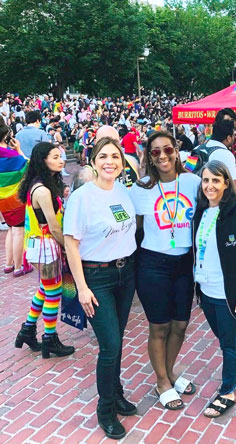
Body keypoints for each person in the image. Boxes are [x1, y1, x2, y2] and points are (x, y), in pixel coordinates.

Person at [64, 137, 137, 440]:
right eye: (103, 156)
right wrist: (81, 287)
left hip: (126, 273)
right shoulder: (83, 197)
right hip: (97, 278)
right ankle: (105, 409)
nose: (110, 161)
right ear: (93, 161)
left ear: (122, 163)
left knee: (117, 339)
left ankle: (116, 392)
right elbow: (70, 242)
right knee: (109, 345)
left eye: (115, 157)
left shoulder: (122, 190)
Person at [129, 131, 200, 411]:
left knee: (180, 325)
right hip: (153, 264)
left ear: (177, 151)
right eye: (155, 152)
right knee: (159, 326)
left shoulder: (193, 182)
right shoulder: (141, 187)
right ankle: (162, 381)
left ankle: (169, 373)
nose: (163, 156)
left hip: (184, 263)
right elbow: (130, 227)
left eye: (167, 149)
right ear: (149, 156)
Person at [193, 160, 236, 418]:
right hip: (206, 289)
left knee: (228, 344)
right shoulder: (201, 211)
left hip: (229, 293)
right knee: (225, 338)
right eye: (206, 180)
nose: (210, 185)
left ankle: (227, 391)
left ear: (225, 183)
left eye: (215, 180)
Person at [15, 142, 74, 358]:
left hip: (40, 246)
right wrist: (66, 247)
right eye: (55, 156)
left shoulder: (41, 184)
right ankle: (49, 338)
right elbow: (54, 226)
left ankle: (28, 330)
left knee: (45, 288)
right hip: (45, 247)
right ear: (43, 160)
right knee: (53, 292)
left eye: (61, 156)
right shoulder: (41, 189)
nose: (61, 160)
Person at [0, 126, 32, 276]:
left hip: (3, 198)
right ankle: (19, 267)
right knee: (19, 230)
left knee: (11, 229)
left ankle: (8, 264)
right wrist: (18, 149)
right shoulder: (11, 155)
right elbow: (28, 165)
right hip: (16, 198)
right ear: (6, 135)